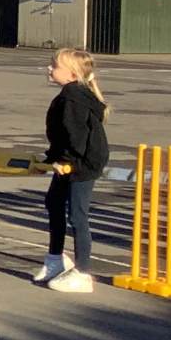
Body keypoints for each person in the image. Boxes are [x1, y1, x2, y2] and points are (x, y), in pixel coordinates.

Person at [34, 47, 110, 293]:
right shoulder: (67, 95)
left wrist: (63, 161)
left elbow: (76, 138)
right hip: (68, 161)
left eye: (55, 66)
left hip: (82, 164)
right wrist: (51, 159)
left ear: (72, 74)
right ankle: (55, 259)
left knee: (77, 216)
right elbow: (60, 136)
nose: (49, 69)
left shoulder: (73, 98)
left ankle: (82, 273)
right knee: (53, 203)